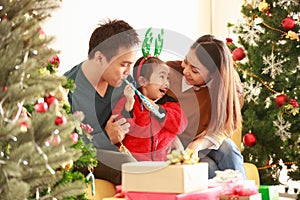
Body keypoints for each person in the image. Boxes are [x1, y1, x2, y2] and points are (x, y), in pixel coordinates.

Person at [64, 19, 140, 185]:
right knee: (126, 165)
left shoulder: (123, 84)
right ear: (99, 58)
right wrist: (105, 137)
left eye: (131, 65)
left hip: (116, 149)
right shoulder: (66, 90)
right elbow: (65, 146)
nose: (128, 72)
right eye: (123, 64)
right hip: (80, 156)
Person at [166, 34, 246, 179]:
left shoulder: (229, 88)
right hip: (175, 145)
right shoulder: (168, 74)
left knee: (229, 149)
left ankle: (242, 193)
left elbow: (223, 130)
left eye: (195, 70)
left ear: (214, 74)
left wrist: (197, 145)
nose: (185, 71)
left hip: (203, 143)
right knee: (210, 167)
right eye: (186, 62)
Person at [112, 56, 188, 161]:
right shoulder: (129, 101)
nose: (166, 83)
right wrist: (128, 106)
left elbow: (180, 126)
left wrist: (157, 109)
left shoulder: (169, 104)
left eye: (168, 78)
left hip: (162, 164)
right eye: (162, 77)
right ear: (143, 81)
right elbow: (122, 129)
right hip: (136, 164)